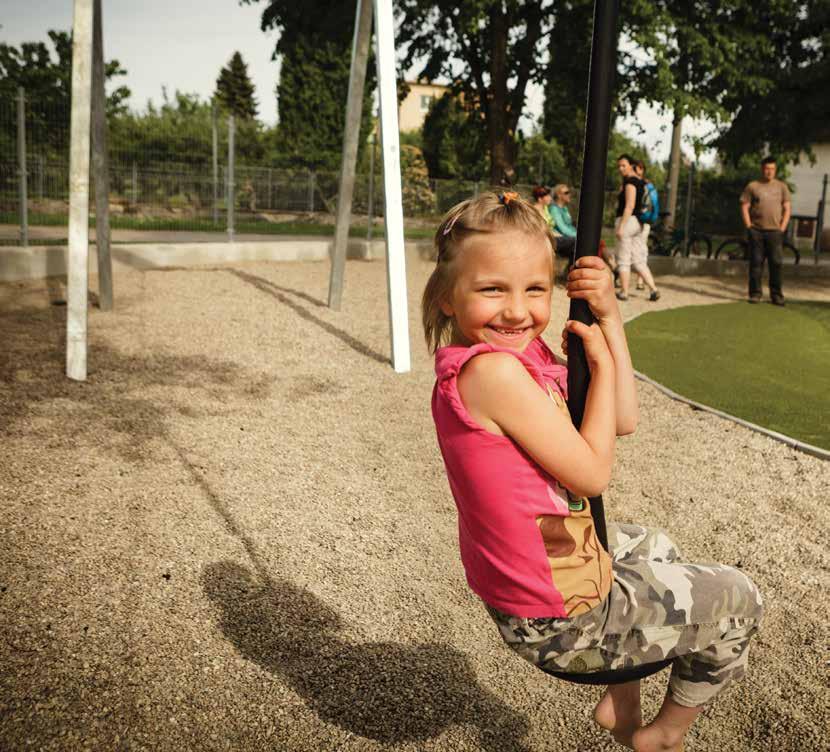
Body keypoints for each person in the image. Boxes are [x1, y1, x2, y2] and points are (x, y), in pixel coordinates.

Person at [422, 191, 763, 752]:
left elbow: (621, 417)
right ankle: (664, 735)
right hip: (557, 620)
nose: (516, 310)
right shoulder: (490, 375)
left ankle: (620, 701)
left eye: (535, 290)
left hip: (544, 572)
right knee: (741, 598)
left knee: (654, 545)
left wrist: (609, 317)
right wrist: (600, 365)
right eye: (492, 289)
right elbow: (591, 476)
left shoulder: (522, 359)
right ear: (447, 298)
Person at [740, 156, 791, 306]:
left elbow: (787, 209)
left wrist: (782, 228)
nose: (769, 172)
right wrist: (749, 226)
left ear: (775, 170)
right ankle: (755, 294)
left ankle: (776, 296)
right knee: (756, 263)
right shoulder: (753, 186)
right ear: (762, 169)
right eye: (767, 169)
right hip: (757, 231)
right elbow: (744, 206)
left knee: (776, 264)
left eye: (772, 169)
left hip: (775, 232)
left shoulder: (782, 187)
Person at [615, 154, 660, 302]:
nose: (620, 169)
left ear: (631, 166)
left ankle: (624, 292)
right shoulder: (642, 182)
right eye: (619, 166)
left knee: (623, 259)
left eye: (623, 165)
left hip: (628, 222)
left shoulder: (630, 182)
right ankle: (654, 289)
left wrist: (621, 227)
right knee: (638, 260)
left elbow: (629, 205)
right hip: (639, 224)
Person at [632, 160, 660, 290]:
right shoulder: (649, 185)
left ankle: (644, 282)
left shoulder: (637, 184)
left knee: (638, 252)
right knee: (642, 250)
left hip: (638, 221)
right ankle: (640, 280)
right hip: (646, 221)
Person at [548, 183, 577, 259]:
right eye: (566, 193)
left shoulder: (564, 209)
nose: (569, 194)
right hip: (562, 239)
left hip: (570, 237)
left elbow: (569, 226)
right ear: (559, 195)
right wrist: (579, 236)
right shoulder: (554, 209)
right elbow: (562, 229)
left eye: (569, 192)